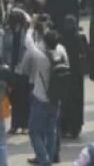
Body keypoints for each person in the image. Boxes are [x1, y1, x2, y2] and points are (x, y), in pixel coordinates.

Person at [17, 28, 68, 166]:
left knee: (34, 131)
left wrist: (31, 27)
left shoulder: (41, 57)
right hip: (56, 99)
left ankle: (43, 159)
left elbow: (28, 43)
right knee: (51, 131)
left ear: (45, 43)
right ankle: (49, 158)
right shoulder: (62, 52)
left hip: (41, 98)